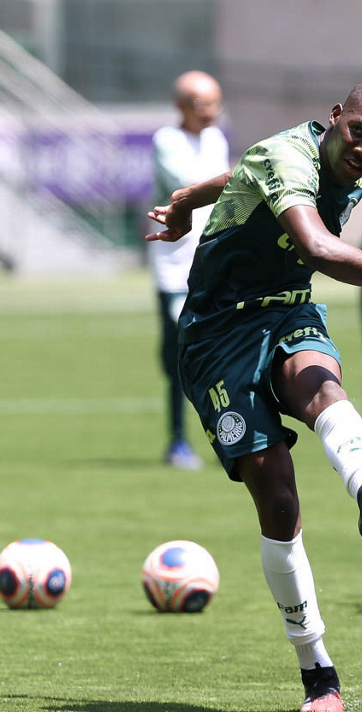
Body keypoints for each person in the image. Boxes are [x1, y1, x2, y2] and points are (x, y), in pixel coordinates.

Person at [145, 81, 362, 712]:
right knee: (277, 493)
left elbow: (239, 176)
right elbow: (316, 248)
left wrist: (187, 198)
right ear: (334, 118)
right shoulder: (287, 153)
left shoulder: (343, 166)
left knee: (322, 385)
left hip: (289, 311)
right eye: (358, 131)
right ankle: (316, 666)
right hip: (218, 333)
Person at [148, 70, 229, 470]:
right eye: (201, 103)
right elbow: (186, 186)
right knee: (179, 356)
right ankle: (178, 440)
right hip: (174, 265)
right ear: (180, 106)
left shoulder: (216, 139)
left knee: (220, 352)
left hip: (213, 262)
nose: (210, 111)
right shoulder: (166, 140)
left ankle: (229, 433)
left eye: (215, 102)